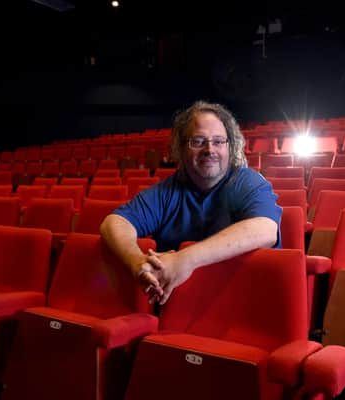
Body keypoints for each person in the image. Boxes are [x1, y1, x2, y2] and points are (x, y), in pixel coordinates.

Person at [100, 100, 282, 305]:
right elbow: (114, 222)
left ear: (230, 147)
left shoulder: (247, 182)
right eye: (198, 141)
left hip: (245, 303)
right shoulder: (167, 191)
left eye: (218, 141)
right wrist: (136, 261)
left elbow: (265, 229)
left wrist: (184, 260)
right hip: (179, 311)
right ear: (181, 148)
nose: (209, 149)